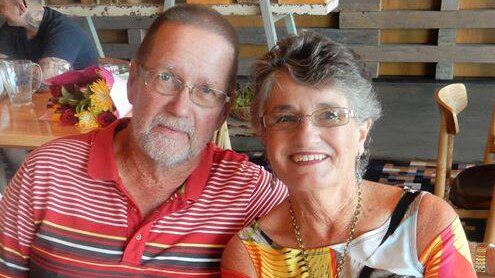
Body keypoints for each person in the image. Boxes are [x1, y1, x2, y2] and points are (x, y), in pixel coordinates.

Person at [0, 5, 287, 277]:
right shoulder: (46, 172)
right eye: (165, 77)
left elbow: (326, 231)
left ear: (223, 112)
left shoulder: (250, 193)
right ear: (134, 82)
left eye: (206, 91)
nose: (180, 107)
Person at [221, 31, 477, 277]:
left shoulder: (424, 222)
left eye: (330, 115)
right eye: (285, 118)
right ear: (264, 135)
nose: (306, 136)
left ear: (361, 133)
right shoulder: (251, 254)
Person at [0, 0, 98, 81]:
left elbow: (45, 83)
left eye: (1, 6)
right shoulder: (10, 28)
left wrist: (13, 71)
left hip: (80, 101)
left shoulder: (65, 30)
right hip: (37, 99)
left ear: (21, 7)